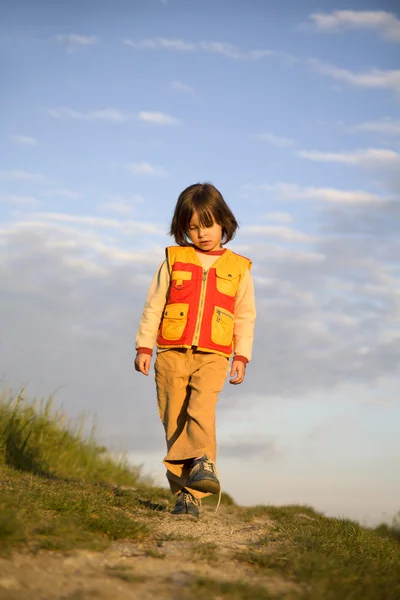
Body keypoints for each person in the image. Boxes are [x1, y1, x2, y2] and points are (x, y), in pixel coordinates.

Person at [134, 182, 256, 517]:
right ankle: (185, 496)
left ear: (223, 223)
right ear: (182, 228)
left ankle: (204, 461)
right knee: (174, 421)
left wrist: (241, 356)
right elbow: (154, 304)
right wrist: (144, 346)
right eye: (192, 227)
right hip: (171, 352)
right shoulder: (174, 260)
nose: (201, 233)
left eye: (208, 224)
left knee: (201, 409)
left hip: (215, 355)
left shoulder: (239, 268)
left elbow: (245, 316)